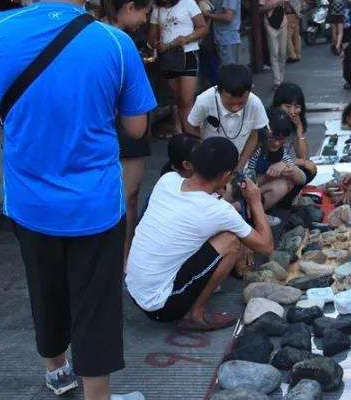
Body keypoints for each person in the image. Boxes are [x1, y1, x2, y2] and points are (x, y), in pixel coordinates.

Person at [0, 0, 157, 398]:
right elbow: (136, 127)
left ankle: (56, 371)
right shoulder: (115, 43)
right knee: (95, 305)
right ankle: (96, 396)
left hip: (28, 199)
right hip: (95, 203)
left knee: (43, 286)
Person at [126, 137, 274, 330]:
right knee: (230, 241)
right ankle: (193, 315)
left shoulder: (167, 180)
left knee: (214, 232)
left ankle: (189, 300)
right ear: (225, 176)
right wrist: (254, 200)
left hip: (134, 289)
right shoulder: (219, 210)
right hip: (161, 306)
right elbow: (266, 246)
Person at [102, 0, 155, 265]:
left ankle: (124, 258)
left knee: (128, 198)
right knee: (125, 198)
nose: (146, 20)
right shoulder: (115, 40)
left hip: (117, 125)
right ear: (130, 7)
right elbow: (136, 127)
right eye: (145, 12)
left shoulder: (102, 34)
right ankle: (120, 259)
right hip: (124, 124)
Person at [187, 64, 269, 170]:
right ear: (218, 90)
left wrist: (239, 168)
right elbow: (192, 125)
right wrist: (204, 144)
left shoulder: (255, 104)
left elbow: (253, 137)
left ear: (250, 90)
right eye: (229, 103)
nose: (235, 108)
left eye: (241, 103)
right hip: (210, 161)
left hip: (239, 162)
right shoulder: (204, 101)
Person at [148, 0, 208, 135]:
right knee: (178, 99)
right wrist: (156, 43)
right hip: (168, 57)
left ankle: (193, 133)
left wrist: (186, 39)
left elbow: (203, 28)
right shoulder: (157, 8)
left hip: (188, 53)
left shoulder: (188, 3)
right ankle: (186, 134)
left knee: (187, 99)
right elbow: (151, 36)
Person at [246, 108, 308, 210]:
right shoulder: (255, 149)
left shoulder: (281, 152)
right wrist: (267, 176)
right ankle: (252, 213)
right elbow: (244, 183)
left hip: (257, 191)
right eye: (271, 138)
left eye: (280, 139)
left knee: (291, 179)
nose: (276, 143)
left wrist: (289, 169)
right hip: (245, 192)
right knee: (281, 185)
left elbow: (302, 179)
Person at [272, 82, 318, 205]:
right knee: (303, 168)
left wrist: (299, 128)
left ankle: (286, 200)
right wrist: (301, 162)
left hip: (285, 164)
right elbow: (272, 157)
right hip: (271, 167)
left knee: (310, 168)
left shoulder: (294, 123)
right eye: (287, 106)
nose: (292, 112)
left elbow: (303, 156)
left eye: (297, 107)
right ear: (278, 105)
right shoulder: (271, 122)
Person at [259, 0, 290, 89]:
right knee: (274, 53)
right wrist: (275, 4)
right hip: (270, 23)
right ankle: (277, 81)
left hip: (282, 22)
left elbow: (286, 8)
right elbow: (260, 9)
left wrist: (286, 4)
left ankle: (281, 79)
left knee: (283, 53)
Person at [204, 0, 242, 65]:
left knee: (229, 69)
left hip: (227, 38)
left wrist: (208, 15)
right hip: (219, 37)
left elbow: (228, 17)